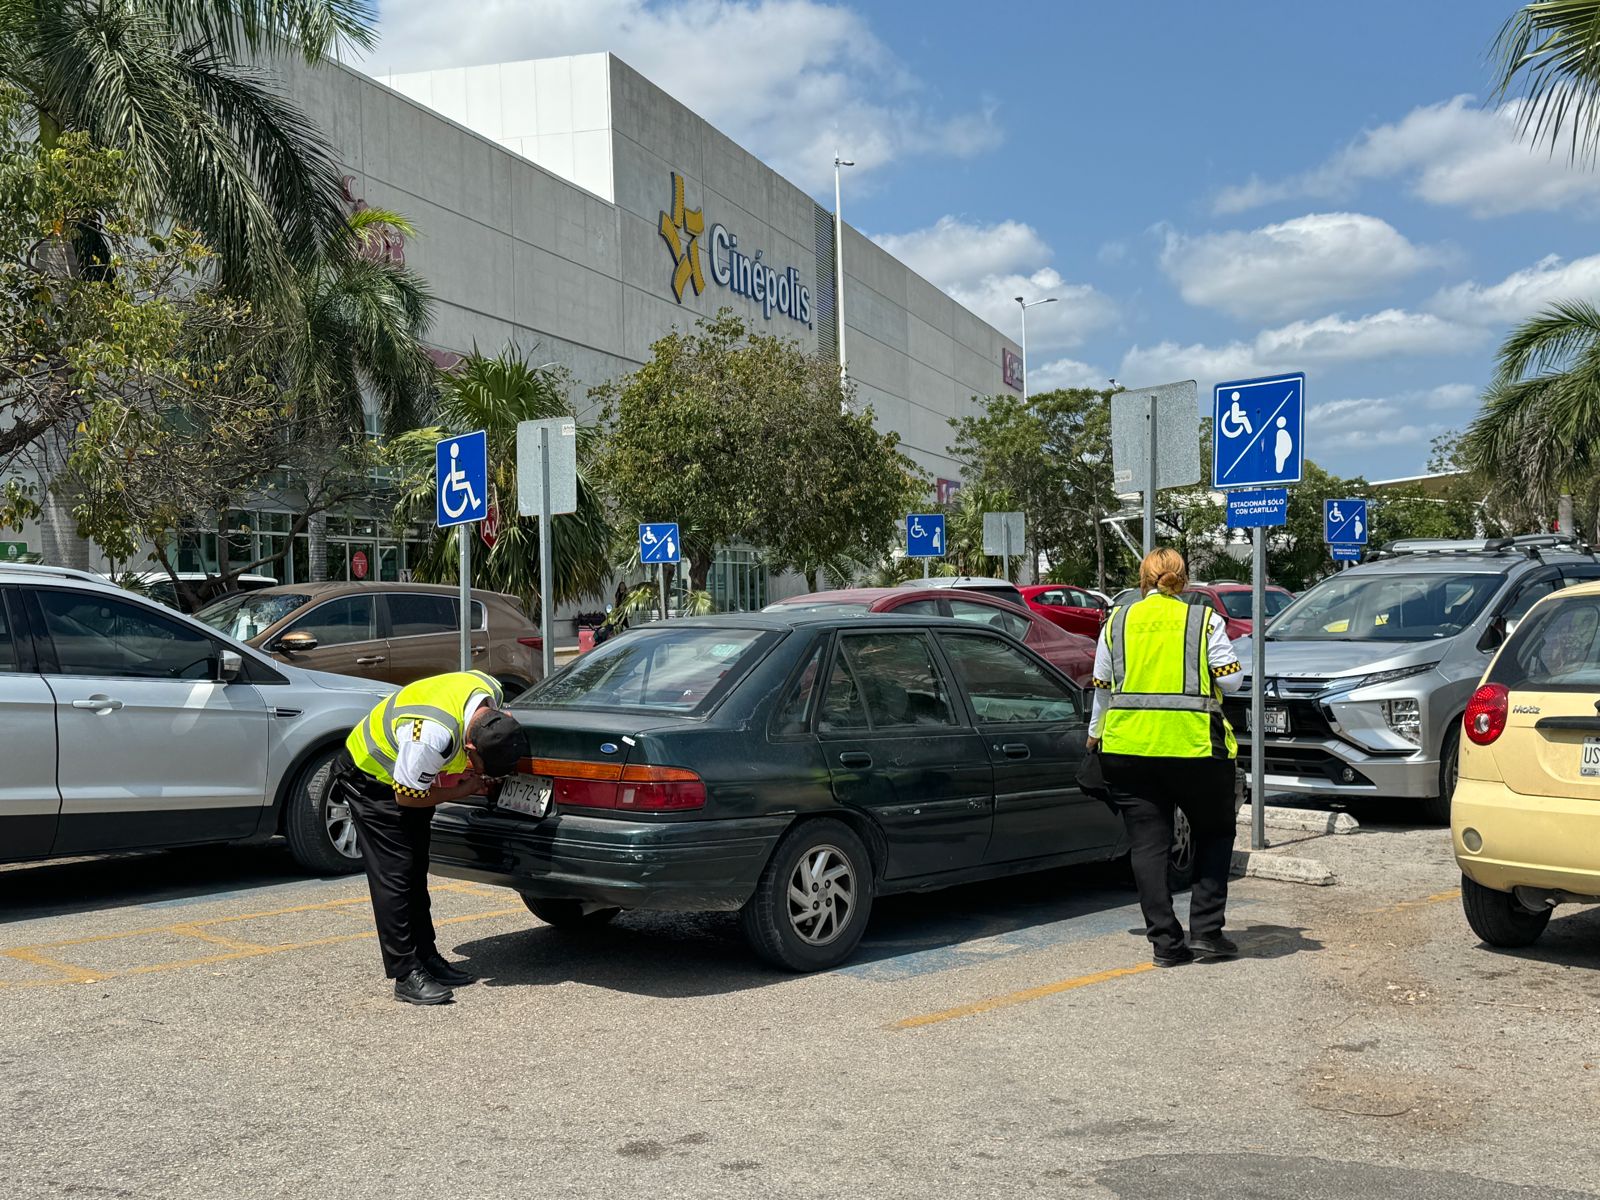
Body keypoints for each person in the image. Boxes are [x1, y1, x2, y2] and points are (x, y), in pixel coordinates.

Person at [1086, 548, 1244, 967]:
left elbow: (1103, 688)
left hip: (1127, 749)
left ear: (1142, 578)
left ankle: (1166, 944)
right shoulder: (1203, 619)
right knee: (1213, 833)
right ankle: (1207, 933)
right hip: (1195, 748)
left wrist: (1093, 736)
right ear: (1183, 578)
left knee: (1148, 845)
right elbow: (1234, 677)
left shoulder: (1116, 621)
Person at [333, 670, 529, 1004]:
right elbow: (406, 798)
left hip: (411, 773)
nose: (476, 768)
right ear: (470, 744)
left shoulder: (489, 691)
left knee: (415, 868)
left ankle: (426, 956)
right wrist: (464, 788)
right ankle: (405, 973)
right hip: (371, 779)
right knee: (395, 875)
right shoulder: (431, 735)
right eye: (477, 762)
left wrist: (466, 777)